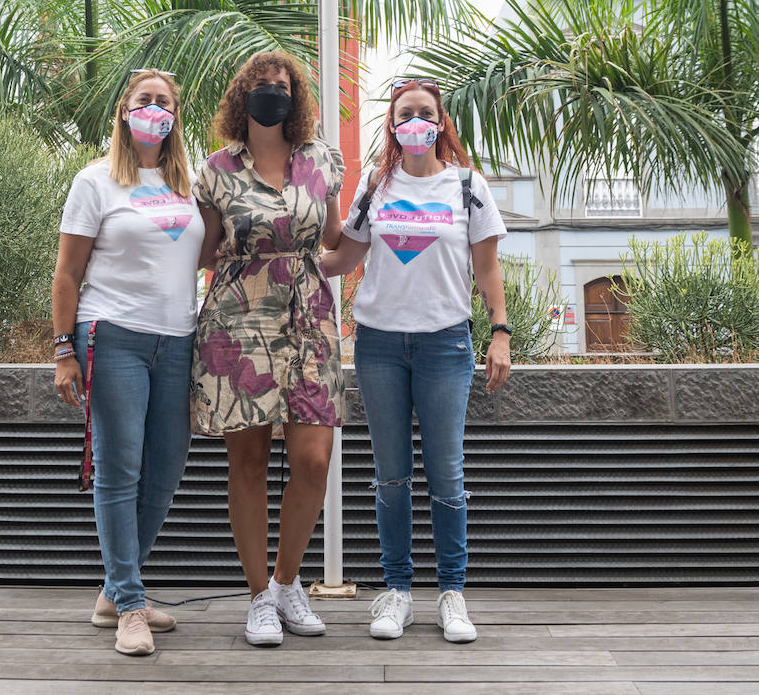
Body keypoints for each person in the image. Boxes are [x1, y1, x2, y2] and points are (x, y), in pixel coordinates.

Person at [321, 78, 511, 644]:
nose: (415, 123)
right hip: (378, 344)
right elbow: (343, 258)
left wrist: (500, 332)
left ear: (441, 122)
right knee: (391, 475)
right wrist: (278, 249)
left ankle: (452, 592)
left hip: (445, 345)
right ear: (392, 125)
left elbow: (487, 267)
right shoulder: (375, 186)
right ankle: (397, 591)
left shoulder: (467, 186)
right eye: (404, 114)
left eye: (425, 113)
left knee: (447, 474)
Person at [191, 51, 344, 647]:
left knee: (313, 459)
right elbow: (203, 252)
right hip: (237, 322)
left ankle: (286, 582)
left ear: (295, 96)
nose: (272, 92)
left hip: (310, 320)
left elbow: (335, 239)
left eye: (282, 84)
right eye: (261, 84)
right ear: (242, 95)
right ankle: (259, 597)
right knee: (248, 463)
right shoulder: (217, 170)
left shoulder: (321, 160)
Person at [52, 69, 205, 657]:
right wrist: (63, 351)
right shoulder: (95, 181)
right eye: (145, 100)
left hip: (178, 339)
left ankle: (114, 592)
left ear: (175, 116)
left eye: (165, 102)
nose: (155, 109)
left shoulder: (189, 185)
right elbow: (67, 274)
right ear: (124, 110)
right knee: (119, 471)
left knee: (165, 470)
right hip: (112, 335)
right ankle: (130, 604)